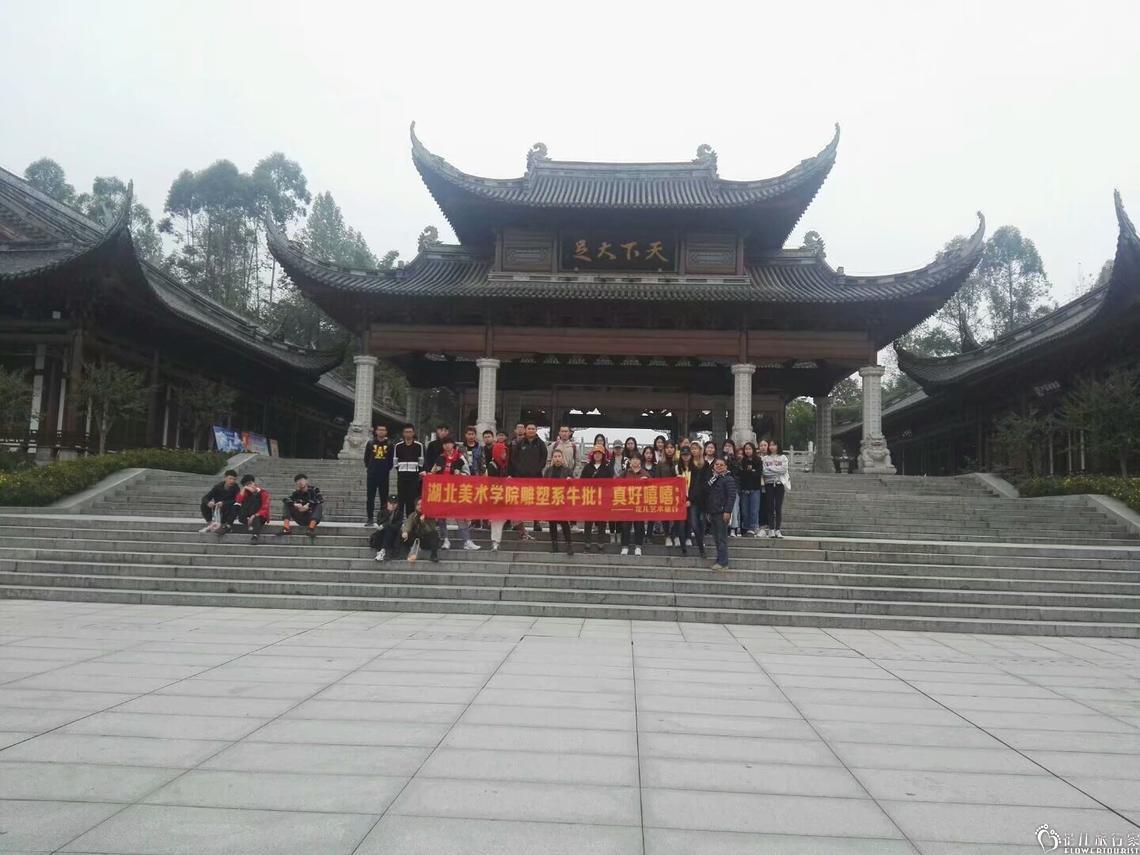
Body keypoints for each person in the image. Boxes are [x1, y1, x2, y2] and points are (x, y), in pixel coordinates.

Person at [429, 436, 481, 551]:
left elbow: (467, 474)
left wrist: (459, 474)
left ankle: (467, 541)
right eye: (445, 444)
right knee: (441, 517)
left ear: (453, 445)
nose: (447, 446)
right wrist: (432, 473)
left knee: (460, 516)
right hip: (442, 491)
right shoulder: (440, 458)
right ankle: (445, 540)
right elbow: (432, 473)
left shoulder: (460, 457)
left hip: (456, 491)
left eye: (449, 443)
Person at [706, 457, 739, 571]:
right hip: (713, 511)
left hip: (722, 512)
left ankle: (723, 562)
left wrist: (727, 511)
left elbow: (731, 497)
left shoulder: (728, 479)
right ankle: (719, 559)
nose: (719, 466)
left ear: (726, 467)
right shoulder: (712, 479)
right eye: (717, 464)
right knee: (716, 538)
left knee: (721, 538)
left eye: (721, 465)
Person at [580, 447, 613, 552]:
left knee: (602, 521)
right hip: (589, 497)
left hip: (602, 498)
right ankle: (587, 542)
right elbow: (581, 482)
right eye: (595, 453)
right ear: (592, 455)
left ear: (603, 455)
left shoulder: (607, 468)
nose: (597, 455)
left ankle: (601, 543)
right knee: (588, 521)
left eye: (600, 453)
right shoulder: (587, 467)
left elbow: (610, 483)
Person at [542, 448, 574, 555]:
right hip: (551, 500)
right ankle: (554, 545)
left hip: (563, 501)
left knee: (565, 523)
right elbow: (543, 485)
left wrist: (570, 481)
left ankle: (569, 545)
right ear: (552, 458)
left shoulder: (567, 470)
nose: (557, 459)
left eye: (559, 456)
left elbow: (573, 485)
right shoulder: (548, 471)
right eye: (555, 457)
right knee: (552, 524)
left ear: (562, 458)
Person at [653, 441, 683, 549]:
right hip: (664, 491)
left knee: (677, 515)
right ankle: (667, 536)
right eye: (667, 447)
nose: (669, 449)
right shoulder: (661, 463)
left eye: (671, 447)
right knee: (666, 515)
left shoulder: (679, 461)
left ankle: (676, 535)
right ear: (664, 449)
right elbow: (657, 478)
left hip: (677, 492)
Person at [485, 430, 510, 551]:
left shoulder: (505, 465)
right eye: (503, 452)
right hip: (496, 496)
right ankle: (495, 541)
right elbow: (493, 483)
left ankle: (522, 533)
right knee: (497, 520)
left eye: (505, 452)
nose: (505, 454)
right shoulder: (492, 465)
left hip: (506, 496)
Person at [620, 455, 650, 556]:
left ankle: (638, 546)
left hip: (640, 503)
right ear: (630, 461)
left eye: (637, 459)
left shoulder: (645, 473)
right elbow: (617, 483)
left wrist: (647, 482)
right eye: (633, 459)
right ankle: (625, 546)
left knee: (639, 526)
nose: (635, 461)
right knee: (625, 526)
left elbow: (653, 487)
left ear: (640, 462)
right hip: (627, 503)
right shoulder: (625, 473)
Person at [363, 424, 393, 526]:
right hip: (372, 474)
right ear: (376, 431)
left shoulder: (390, 444)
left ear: (386, 432)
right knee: (370, 497)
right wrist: (370, 468)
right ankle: (370, 518)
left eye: (383, 430)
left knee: (384, 498)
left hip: (384, 475)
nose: (381, 431)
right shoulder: (370, 443)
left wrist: (386, 469)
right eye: (379, 429)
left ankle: (383, 519)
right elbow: (366, 458)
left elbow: (391, 460)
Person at [393, 424, 425, 518]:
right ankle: (399, 520)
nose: (408, 434)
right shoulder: (398, 446)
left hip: (414, 476)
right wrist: (400, 469)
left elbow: (421, 460)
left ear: (413, 433)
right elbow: (395, 460)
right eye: (406, 432)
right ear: (403, 433)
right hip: (402, 475)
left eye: (410, 432)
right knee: (401, 498)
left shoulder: (419, 445)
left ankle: (410, 520)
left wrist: (417, 471)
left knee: (411, 499)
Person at [682, 446, 708, 558]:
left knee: (701, 522)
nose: (694, 451)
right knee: (693, 523)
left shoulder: (704, 464)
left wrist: (691, 499)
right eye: (692, 449)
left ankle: (701, 546)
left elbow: (701, 484)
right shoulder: (688, 465)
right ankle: (699, 546)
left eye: (696, 449)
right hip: (688, 498)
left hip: (701, 499)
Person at [762, 439, 791, 538]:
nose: (771, 447)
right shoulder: (765, 458)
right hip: (769, 484)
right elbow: (765, 472)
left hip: (780, 484)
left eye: (774, 445)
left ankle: (778, 529)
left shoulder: (783, 457)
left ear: (778, 446)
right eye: (770, 445)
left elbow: (783, 470)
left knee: (778, 507)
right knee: (770, 507)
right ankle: (771, 529)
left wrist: (770, 468)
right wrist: (775, 470)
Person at [281, 473, 324, 538]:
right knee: (287, 504)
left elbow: (321, 500)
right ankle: (286, 528)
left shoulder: (314, 490)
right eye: (298, 481)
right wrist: (295, 504)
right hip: (300, 517)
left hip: (311, 517)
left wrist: (308, 505)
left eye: (301, 480)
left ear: (306, 481)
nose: (300, 482)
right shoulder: (296, 493)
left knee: (319, 505)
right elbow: (285, 499)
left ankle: (310, 529)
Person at [233, 474, 271, 544]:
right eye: (246, 485)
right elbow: (238, 501)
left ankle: (255, 536)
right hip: (248, 515)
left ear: (254, 483)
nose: (249, 486)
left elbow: (265, 508)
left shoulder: (263, 493)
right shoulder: (246, 492)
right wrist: (244, 489)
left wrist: (254, 515)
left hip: (260, 516)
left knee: (256, 519)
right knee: (236, 506)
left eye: (250, 483)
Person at [401, 497, 440, 562]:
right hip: (416, 539)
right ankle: (403, 553)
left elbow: (431, 530)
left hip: (427, 540)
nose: (420, 506)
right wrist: (405, 531)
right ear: (415, 506)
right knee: (403, 533)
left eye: (422, 504)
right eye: (418, 505)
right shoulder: (413, 515)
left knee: (434, 534)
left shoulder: (430, 515)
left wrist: (423, 522)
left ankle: (433, 556)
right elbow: (408, 524)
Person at [738, 442, 763, 537]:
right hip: (744, 489)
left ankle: (753, 528)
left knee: (754, 510)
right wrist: (751, 471)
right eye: (746, 449)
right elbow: (741, 474)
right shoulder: (742, 461)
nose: (747, 451)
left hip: (755, 489)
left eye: (749, 449)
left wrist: (750, 472)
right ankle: (746, 528)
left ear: (753, 450)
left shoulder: (758, 460)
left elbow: (758, 474)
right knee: (745, 511)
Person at [370, 495, 402, 561]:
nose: (392, 505)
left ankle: (383, 551)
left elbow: (397, 526)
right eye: (390, 503)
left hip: (392, 536)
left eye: (394, 503)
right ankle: (383, 551)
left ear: (397, 504)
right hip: (382, 535)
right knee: (385, 531)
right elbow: (379, 523)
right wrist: (388, 514)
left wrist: (386, 525)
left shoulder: (399, 514)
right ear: (387, 503)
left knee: (389, 530)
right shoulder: (381, 512)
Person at [721, 439, 741, 537]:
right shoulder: (720, 458)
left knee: (734, 507)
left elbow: (736, 471)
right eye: (726, 446)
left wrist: (731, 457)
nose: (727, 448)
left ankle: (733, 528)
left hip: (733, 486)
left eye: (730, 446)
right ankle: (724, 527)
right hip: (721, 487)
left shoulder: (736, 459)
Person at [756, 439, 771, 537]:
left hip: (769, 484)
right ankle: (760, 525)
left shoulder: (771, 458)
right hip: (757, 484)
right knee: (760, 505)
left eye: (765, 445)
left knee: (768, 505)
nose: (763, 447)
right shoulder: (756, 457)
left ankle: (768, 526)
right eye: (761, 445)